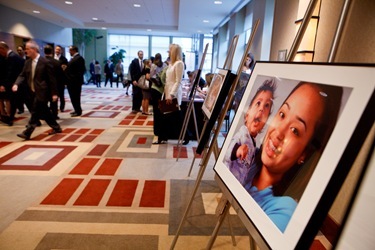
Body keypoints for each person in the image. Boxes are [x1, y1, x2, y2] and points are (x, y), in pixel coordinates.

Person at [242, 81, 343, 232]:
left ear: (304, 153)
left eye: (295, 130)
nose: (278, 132)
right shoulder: (248, 158)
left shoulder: (285, 211)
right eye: (282, 115)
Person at [224, 79, 277, 185]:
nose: (261, 108)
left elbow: (252, 152)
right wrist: (237, 150)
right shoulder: (242, 135)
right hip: (229, 179)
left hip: (238, 182)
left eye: (267, 105)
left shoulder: (252, 141)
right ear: (247, 114)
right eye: (258, 103)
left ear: (266, 121)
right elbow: (227, 151)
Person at [12, 40, 62, 140]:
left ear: (34, 49)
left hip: (43, 92)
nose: (26, 51)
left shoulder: (45, 62)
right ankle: (56, 127)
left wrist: (54, 93)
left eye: (27, 49)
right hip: (32, 91)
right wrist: (16, 84)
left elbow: (52, 79)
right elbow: (22, 75)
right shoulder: (27, 62)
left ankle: (27, 132)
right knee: (45, 111)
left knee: (35, 111)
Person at [155, 44, 190, 145]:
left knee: (174, 118)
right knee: (168, 117)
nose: (168, 52)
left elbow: (178, 81)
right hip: (167, 93)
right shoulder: (171, 64)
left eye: (170, 50)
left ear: (174, 52)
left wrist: (171, 94)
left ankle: (184, 136)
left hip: (172, 95)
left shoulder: (179, 64)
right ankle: (164, 137)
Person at [0, 41, 25, 126]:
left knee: (26, 102)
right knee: (14, 102)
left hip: (16, 84)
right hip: (18, 84)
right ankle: (10, 119)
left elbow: (10, 73)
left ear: (2, 49)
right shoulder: (13, 56)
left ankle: (10, 118)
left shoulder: (11, 57)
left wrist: (4, 84)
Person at [150, 53, 168, 143]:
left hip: (156, 89)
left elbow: (151, 77)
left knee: (157, 112)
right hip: (160, 90)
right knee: (160, 112)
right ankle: (159, 132)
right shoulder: (164, 65)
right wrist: (160, 83)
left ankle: (157, 131)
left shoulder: (154, 65)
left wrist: (158, 82)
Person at [44, 45, 64, 120]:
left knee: (44, 101)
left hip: (43, 85)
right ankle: (54, 115)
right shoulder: (56, 62)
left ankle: (45, 115)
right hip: (55, 85)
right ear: (52, 52)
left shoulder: (41, 61)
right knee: (54, 102)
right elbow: (60, 74)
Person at [65, 45, 86, 117]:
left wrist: (73, 78)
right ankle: (76, 109)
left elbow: (81, 71)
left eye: (70, 50)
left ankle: (78, 111)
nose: (69, 52)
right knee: (73, 97)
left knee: (76, 97)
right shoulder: (74, 58)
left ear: (74, 50)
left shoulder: (79, 58)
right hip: (71, 81)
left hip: (75, 82)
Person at [54, 45, 68, 112]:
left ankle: (62, 107)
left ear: (61, 51)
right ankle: (54, 107)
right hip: (53, 80)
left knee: (61, 95)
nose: (57, 51)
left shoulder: (64, 59)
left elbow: (65, 70)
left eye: (59, 50)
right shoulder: (52, 58)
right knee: (54, 95)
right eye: (56, 49)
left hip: (61, 80)